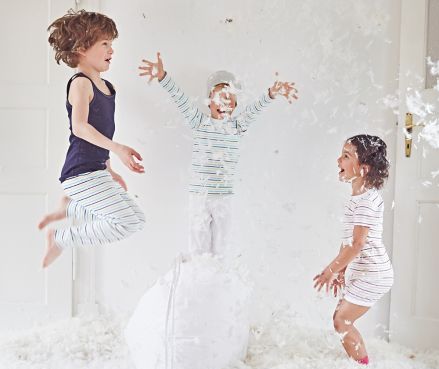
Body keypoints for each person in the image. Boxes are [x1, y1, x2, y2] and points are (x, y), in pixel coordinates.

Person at [139, 52, 298, 256]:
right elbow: (181, 100)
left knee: (223, 247)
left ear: (235, 105)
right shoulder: (200, 122)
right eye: (219, 98)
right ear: (208, 102)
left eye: (229, 99)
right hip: (200, 196)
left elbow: (255, 109)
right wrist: (163, 77)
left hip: (223, 197)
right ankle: (197, 271)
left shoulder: (237, 126)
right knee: (198, 247)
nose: (224, 103)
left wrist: (271, 94)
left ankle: (219, 272)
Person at [39, 9, 145, 268]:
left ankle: (70, 208)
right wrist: (118, 149)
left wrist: (109, 168)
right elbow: (80, 128)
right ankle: (60, 238)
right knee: (126, 222)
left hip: (95, 169)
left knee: (137, 219)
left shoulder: (107, 87)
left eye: (111, 43)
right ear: (82, 48)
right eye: (105, 43)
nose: (112, 50)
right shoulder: (81, 83)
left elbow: (101, 132)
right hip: (80, 172)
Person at [313, 135, 394, 365]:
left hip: (374, 273)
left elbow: (357, 245)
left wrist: (330, 270)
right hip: (366, 271)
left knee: (342, 321)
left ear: (364, 169)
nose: (339, 160)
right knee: (340, 318)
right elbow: (348, 241)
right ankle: (359, 363)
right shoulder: (358, 198)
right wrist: (342, 270)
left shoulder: (365, 202)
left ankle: (363, 367)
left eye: (346, 156)